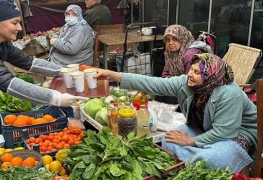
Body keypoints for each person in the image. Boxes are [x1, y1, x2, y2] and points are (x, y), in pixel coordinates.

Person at [0, 0, 88, 179]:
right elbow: (7, 82)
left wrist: (66, 71)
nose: (20, 27)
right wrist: (55, 98)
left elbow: (29, 62)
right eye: (14, 22)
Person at [94, 53, 257, 173]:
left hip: (237, 133)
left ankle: (199, 162)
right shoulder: (186, 83)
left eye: (197, 72)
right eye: (191, 70)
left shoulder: (229, 94)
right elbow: (153, 83)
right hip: (205, 128)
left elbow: (225, 132)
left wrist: (191, 141)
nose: (190, 75)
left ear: (211, 76)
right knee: (168, 139)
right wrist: (113, 75)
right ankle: (197, 164)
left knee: (212, 159)